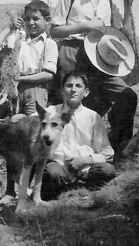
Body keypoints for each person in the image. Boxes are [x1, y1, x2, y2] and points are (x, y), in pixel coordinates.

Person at [50, 0, 137, 157]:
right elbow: (54, 30)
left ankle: (116, 151)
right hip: (73, 53)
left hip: (101, 57)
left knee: (127, 96)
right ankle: (62, 158)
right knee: (71, 104)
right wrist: (85, 27)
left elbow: (122, 31)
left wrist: (127, 3)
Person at [0, 0, 58, 204]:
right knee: (13, 137)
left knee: (34, 141)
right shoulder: (19, 39)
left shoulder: (49, 44)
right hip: (14, 93)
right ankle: (10, 190)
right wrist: (11, 28)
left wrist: (20, 78)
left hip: (35, 93)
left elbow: (48, 74)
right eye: (27, 19)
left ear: (46, 21)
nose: (31, 23)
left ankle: (32, 192)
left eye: (36, 19)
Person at [41, 72, 116, 201]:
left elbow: (107, 153)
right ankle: (69, 189)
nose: (73, 90)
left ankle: (73, 188)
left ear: (86, 92)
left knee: (107, 170)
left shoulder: (92, 117)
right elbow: (32, 122)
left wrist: (84, 160)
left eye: (78, 86)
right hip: (60, 167)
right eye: (69, 86)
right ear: (62, 91)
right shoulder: (51, 112)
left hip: (86, 169)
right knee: (51, 172)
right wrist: (19, 117)